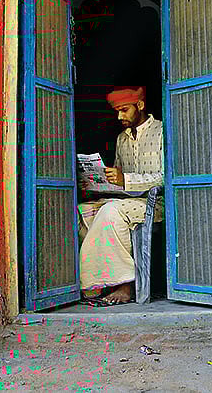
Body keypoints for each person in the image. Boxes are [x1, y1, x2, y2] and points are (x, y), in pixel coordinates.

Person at [77, 87, 164, 306]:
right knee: (82, 211)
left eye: (124, 110)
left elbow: (166, 177)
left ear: (140, 106)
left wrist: (125, 179)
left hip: (156, 204)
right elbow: (117, 180)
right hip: (125, 200)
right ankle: (99, 281)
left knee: (110, 212)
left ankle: (126, 283)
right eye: (116, 111)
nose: (119, 116)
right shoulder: (121, 139)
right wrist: (96, 183)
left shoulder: (162, 131)